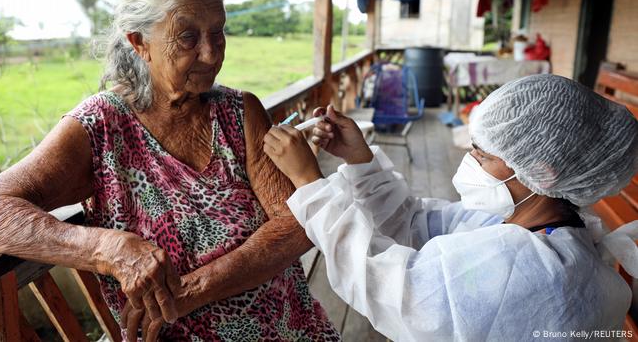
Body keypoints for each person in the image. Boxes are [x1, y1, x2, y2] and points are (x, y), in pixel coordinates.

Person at [0, 0, 339, 341]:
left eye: (218, 33)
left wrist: (191, 291)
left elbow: (298, 223)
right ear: (140, 43)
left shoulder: (240, 112)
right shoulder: (101, 125)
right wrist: (107, 248)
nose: (211, 53)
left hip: (293, 329)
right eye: (188, 37)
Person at [263, 74, 638, 341]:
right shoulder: (535, 226)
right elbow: (416, 224)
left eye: (484, 154)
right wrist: (360, 162)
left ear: (541, 172)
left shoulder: (537, 270)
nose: (470, 158)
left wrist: (310, 184)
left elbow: (398, 291)